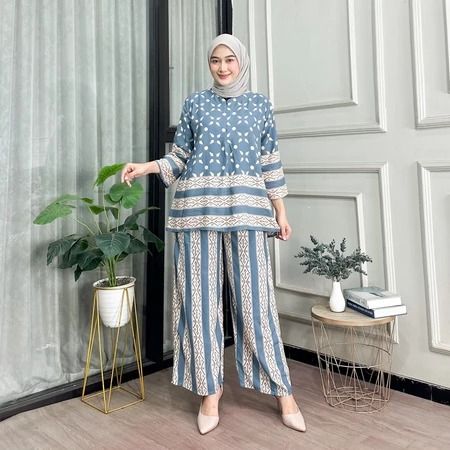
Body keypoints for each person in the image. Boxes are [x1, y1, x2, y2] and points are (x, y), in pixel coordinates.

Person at [121, 33, 306, 435]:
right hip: (196, 214)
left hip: (248, 214)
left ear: (241, 62)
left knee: (256, 305)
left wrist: (281, 212)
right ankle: (210, 391)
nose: (222, 67)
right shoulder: (195, 103)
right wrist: (146, 167)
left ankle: (282, 391)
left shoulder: (260, 105)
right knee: (200, 305)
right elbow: (180, 157)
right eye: (215, 61)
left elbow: (270, 161)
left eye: (229, 60)